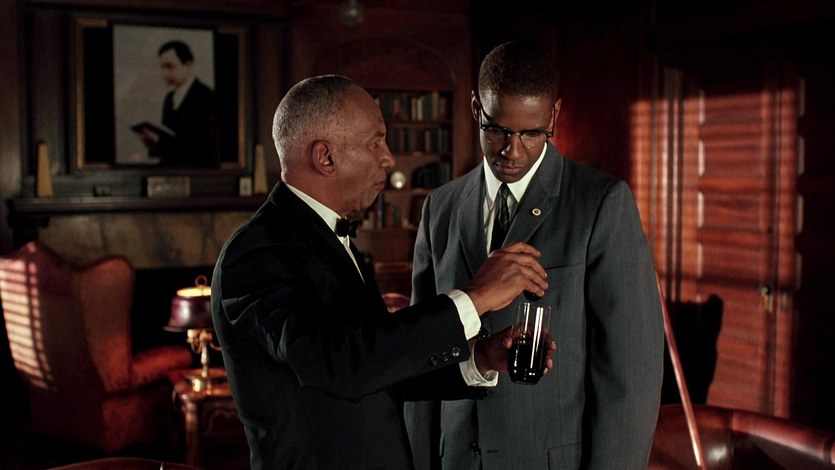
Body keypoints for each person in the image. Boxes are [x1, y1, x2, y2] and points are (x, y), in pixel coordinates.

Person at [210, 74, 551, 470]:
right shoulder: (256, 252)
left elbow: (377, 368)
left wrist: (478, 358)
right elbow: (340, 365)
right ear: (325, 158)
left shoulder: (330, 238)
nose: (389, 159)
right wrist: (475, 297)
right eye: (376, 142)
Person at [404, 40, 665, 469]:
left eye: (530, 133)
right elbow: (420, 352)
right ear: (476, 109)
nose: (512, 150)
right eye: (498, 130)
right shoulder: (440, 207)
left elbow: (631, 378)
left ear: (553, 117)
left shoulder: (601, 203)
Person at [133, 40, 219, 166]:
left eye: (170, 66)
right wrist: (151, 144)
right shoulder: (169, 98)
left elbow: (208, 148)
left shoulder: (208, 96)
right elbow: (167, 146)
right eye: (162, 67)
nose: (164, 73)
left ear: (188, 65)